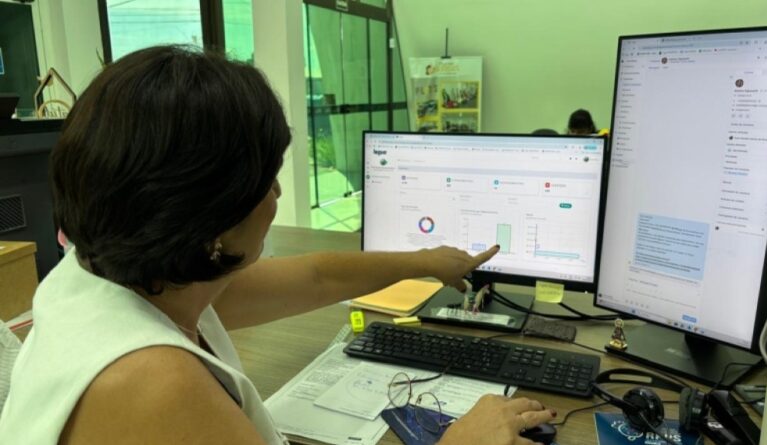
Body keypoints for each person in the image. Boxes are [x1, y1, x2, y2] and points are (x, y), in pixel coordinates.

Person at [0, 46, 555, 444]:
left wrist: (425, 261)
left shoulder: (122, 274)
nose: (279, 194)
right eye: (266, 180)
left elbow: (316, 277)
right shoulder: (153, 384)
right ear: (211, 220)